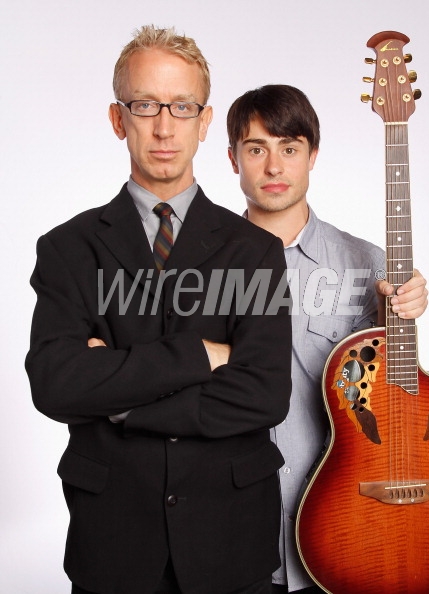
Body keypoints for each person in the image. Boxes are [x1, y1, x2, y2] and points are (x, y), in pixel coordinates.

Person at [25, 28, 293, 594]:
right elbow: (56, 384)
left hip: (233, 542)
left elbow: (264, 395)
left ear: (205, 119)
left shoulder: (256, 251)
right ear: (118, 119)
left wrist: (120, 403)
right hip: (114, 543)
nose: (164, 127)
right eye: (145, 106)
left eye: (182, 107)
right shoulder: (67, 249)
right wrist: (197, 355)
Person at [226, 84, 428, 594]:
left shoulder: (371, 264)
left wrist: (400, 316)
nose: (274, 167)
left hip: (347, 527)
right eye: (257, 149)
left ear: (312, 155)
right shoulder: (200, 268)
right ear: (233, 159)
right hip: (234, 539)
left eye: (289, 148)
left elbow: (394, 405)